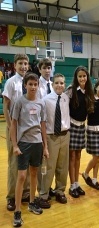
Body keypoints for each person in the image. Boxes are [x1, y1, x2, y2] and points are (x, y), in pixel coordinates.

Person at [10, 72, 48, 227]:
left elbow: (43, 125)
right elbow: (13, 124)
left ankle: (32, 202)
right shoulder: (19, 102)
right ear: (25, 85)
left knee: (34, 173)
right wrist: (15, 145)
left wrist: (45, 146)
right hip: (24, 143)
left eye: (35, 84)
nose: (33, 87)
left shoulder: (41, 103)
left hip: (37, 143)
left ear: (38, 86)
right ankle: (17, 211)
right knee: (21, 176)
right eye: (30, 84)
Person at [37, 73, 70, 209]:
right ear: (52, 84)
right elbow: (43, 122)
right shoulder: (45, 100)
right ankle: (43, 194)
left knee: (63, 166)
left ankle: (60, 190)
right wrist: (44, 142)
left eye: (62, 83)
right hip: (51, 137)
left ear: (64, 85)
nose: (59, 85)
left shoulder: (66, 98)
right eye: (57, 83)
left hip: (65, 135)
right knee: (49, 167)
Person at [2, 54, 30, 211]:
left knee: (25, 161)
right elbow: (6, 105)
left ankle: (25, 192)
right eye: (21, 63)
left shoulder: (29, 81)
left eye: (26, 63)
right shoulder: (11, 82)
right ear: (15, 65)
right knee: (14, 163)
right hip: (15, 127)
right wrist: (9, 125)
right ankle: (11, 197)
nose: (24, 66)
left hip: (26, 128)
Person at [65, 66, 95, 198]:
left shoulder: (89, 91)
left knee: (78, 156)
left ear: (87, 77)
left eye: (84, 76)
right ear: (76, 78)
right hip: (72, 126)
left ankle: (77, 183)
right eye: (80, 76)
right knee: (71, 157)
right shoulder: (71, 91)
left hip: (82, 127)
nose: (82, 78)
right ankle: (72, 185)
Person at [82, 79, 99, 191]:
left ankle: (95, 180)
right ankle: (86, 173)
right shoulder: (90, 100)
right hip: (92, 131)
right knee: (95, 157)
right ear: (95, 88)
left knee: (98, 157)